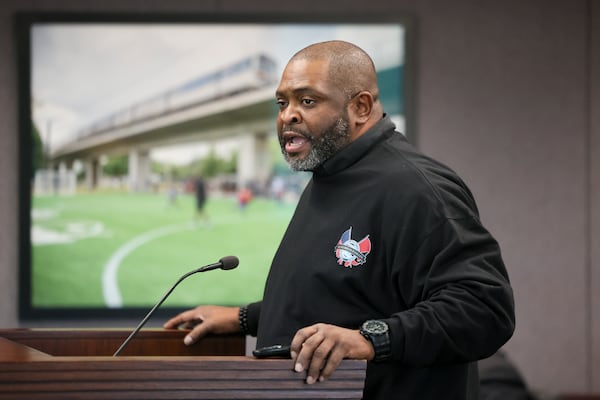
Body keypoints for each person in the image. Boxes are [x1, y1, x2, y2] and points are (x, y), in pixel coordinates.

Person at [164, 40, 515, 399]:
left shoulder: (416, 188)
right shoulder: (328, 175)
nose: (288, 115)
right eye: (282, 103)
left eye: (307, 101)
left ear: (360, 107)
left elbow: (484, 308)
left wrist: (371, 339)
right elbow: (335, 296)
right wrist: (243, 318)